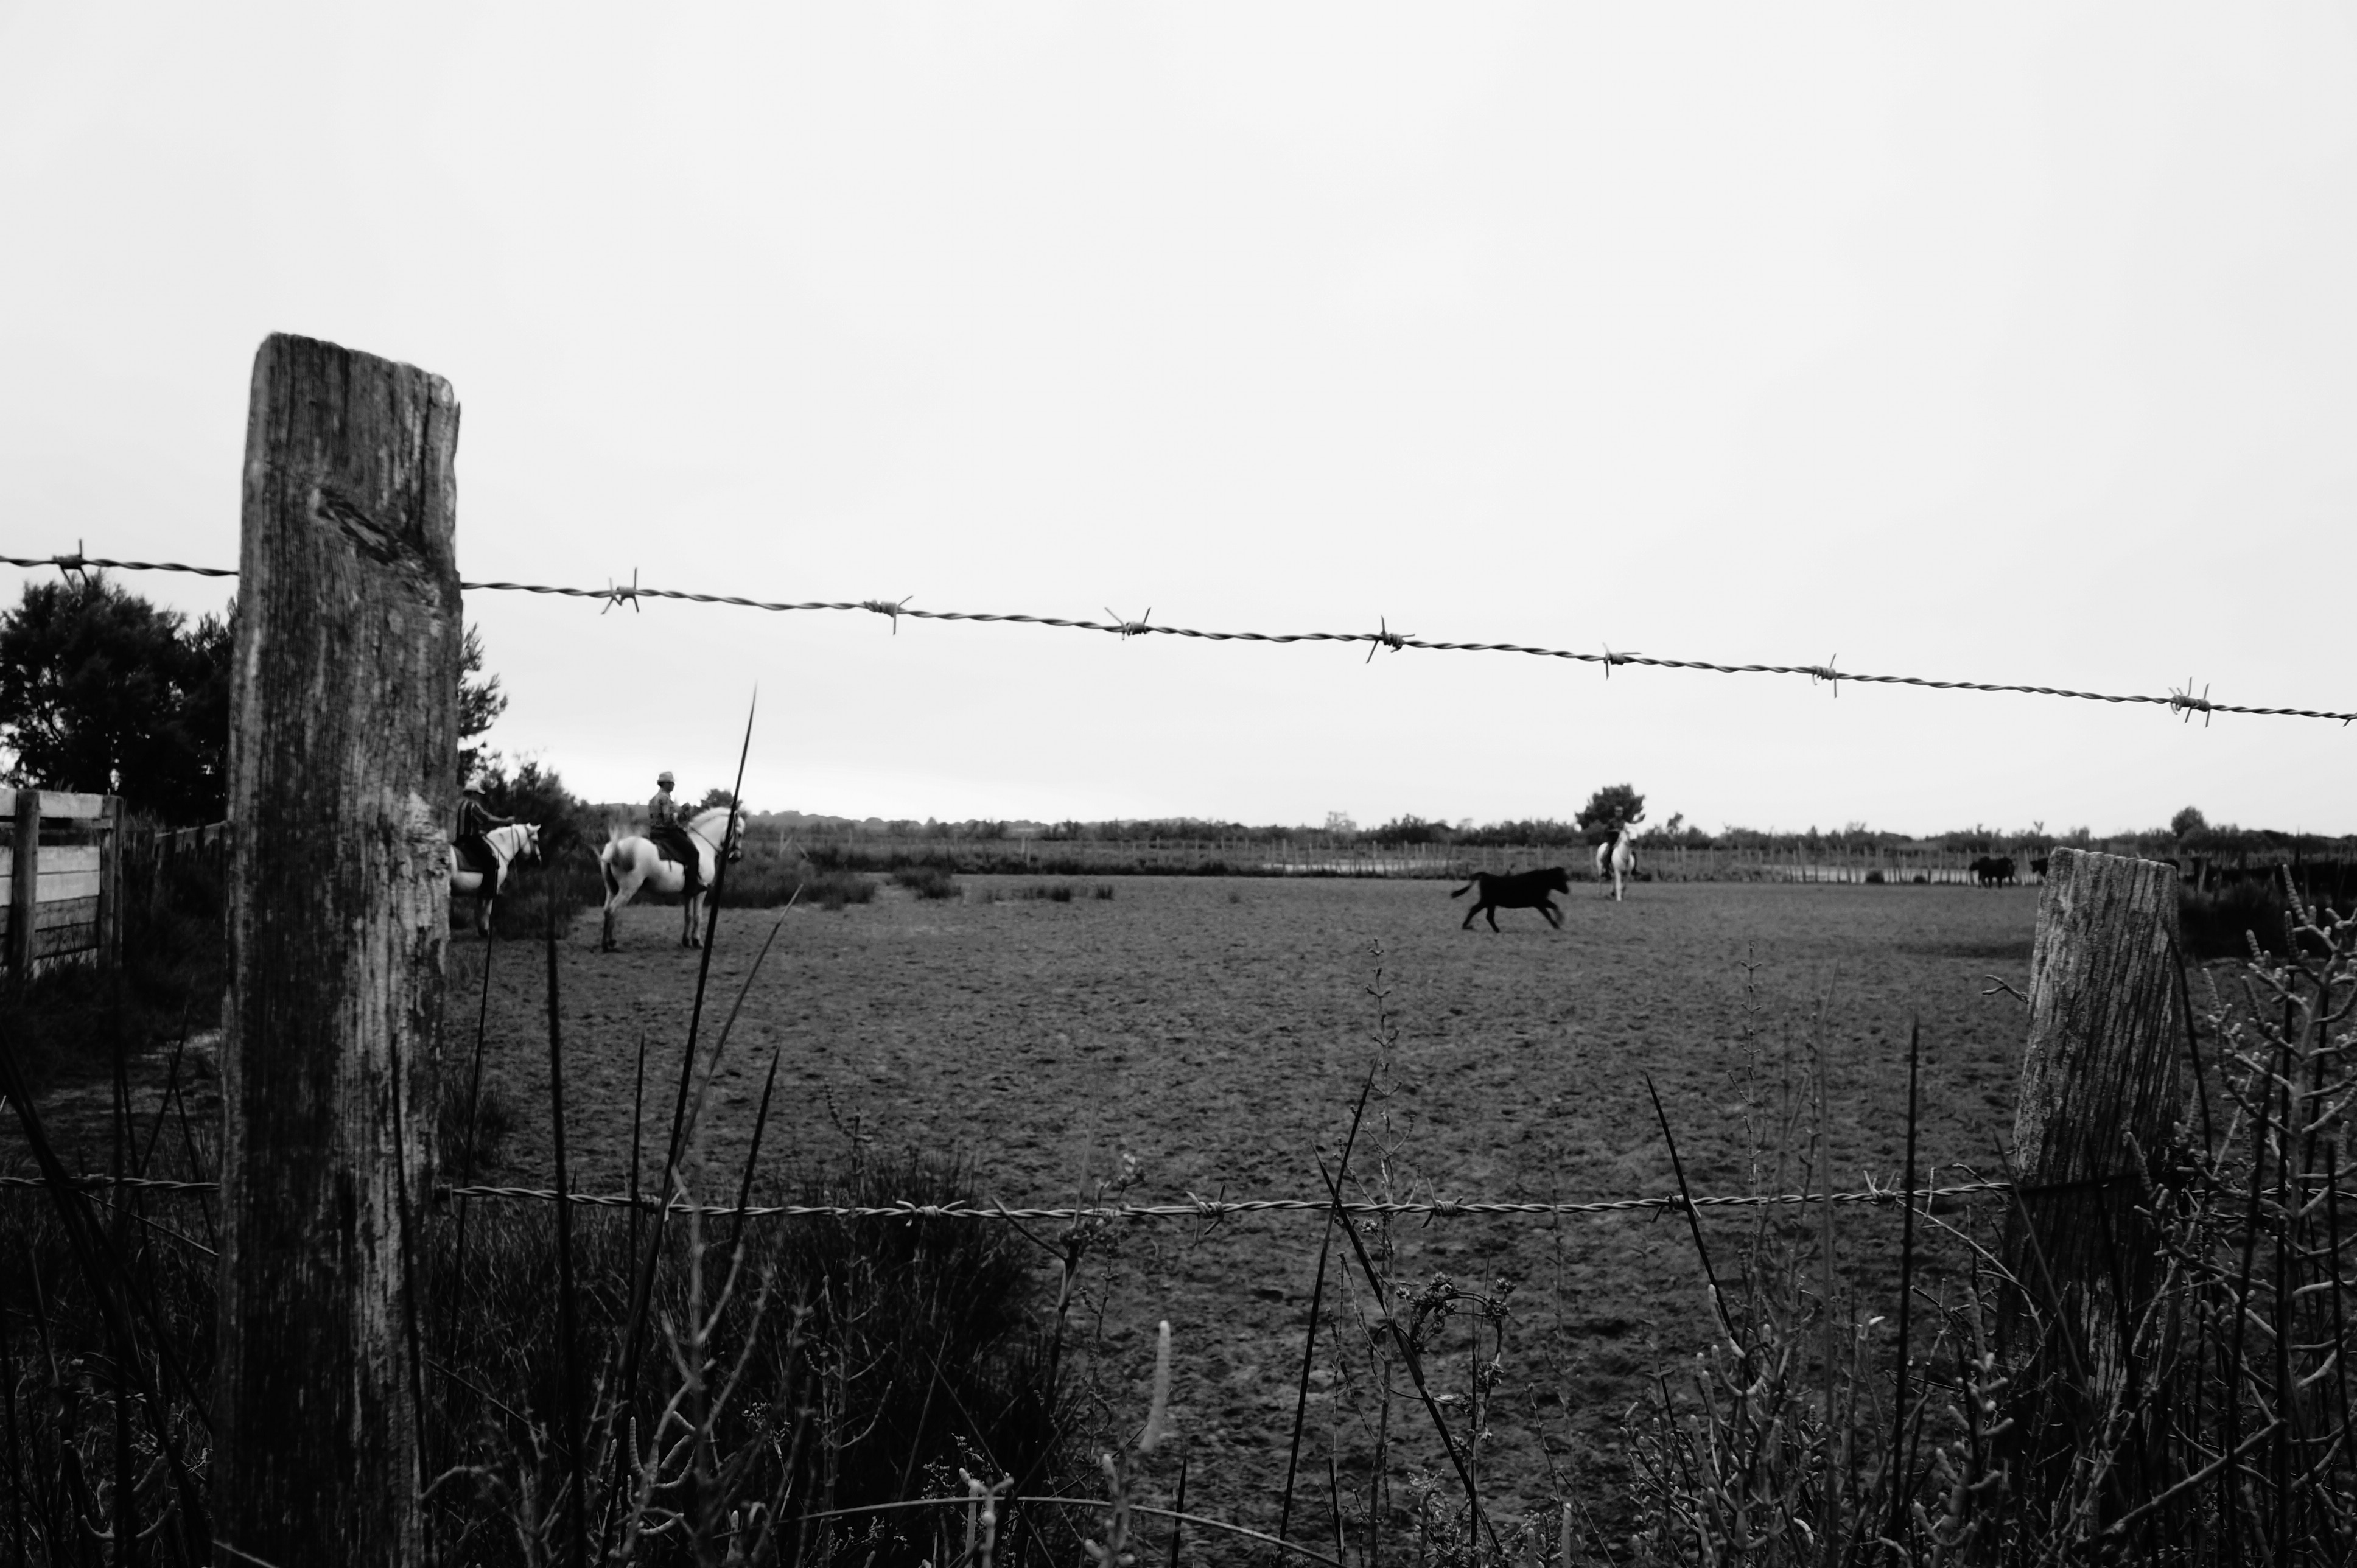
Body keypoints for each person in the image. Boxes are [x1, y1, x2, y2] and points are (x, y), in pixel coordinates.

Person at [455, 779, 518, 892]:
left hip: (459, 840)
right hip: (471, 840)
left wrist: (479, 832)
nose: (479, 797)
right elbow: (487, 818)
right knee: (491, 861)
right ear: (473, 793)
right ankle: (487, 892)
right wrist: (506, 821)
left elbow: (469, 823)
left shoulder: (461, 805)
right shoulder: (473, 805)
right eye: (478, 794)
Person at [648, 770, 702, 894]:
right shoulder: (665, 798)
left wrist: (679, 810)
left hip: (654, 833)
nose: (674, 785)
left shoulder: (654, 799)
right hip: (667, 833)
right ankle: (691, 886)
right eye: (672, 783)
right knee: (694, 853)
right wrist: (683, 812)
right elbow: (669, 818)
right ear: (666, 784)